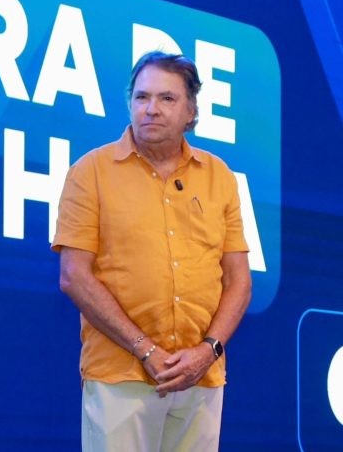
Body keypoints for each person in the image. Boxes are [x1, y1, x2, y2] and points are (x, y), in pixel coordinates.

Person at [52, 51, 251, 451]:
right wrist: (145, 349)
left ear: (191, 111)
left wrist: (207, 351)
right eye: (142, 97)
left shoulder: (220, 177)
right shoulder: (90, 172)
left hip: (201, 376)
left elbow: (239, 282)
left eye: (167, 98)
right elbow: (74, 276)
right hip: (120, 376)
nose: (151, 109)